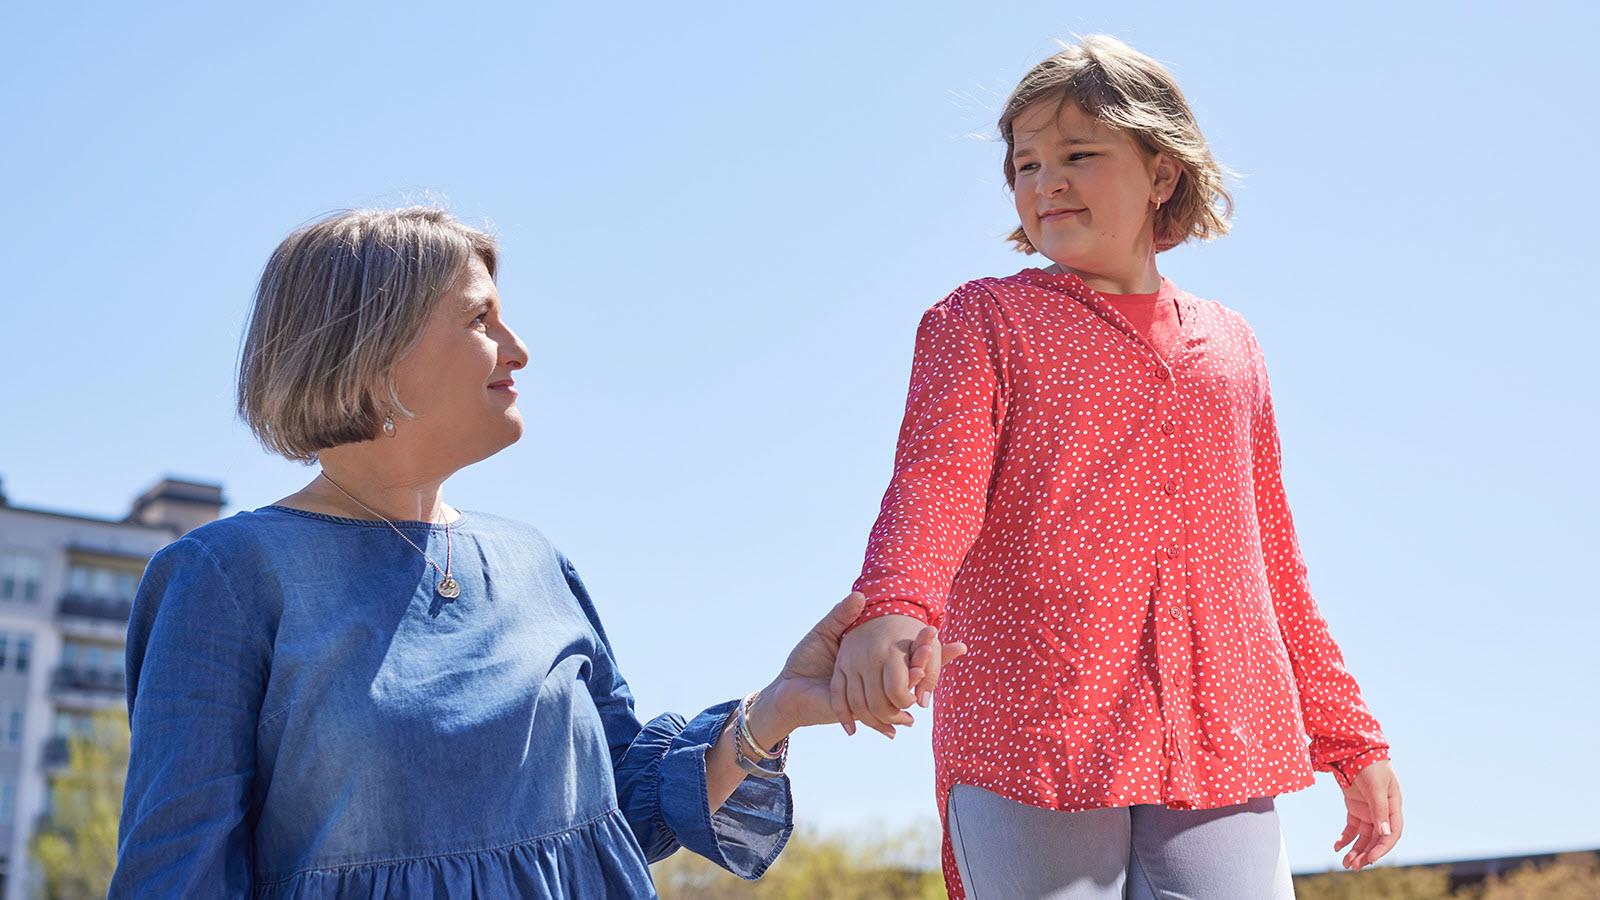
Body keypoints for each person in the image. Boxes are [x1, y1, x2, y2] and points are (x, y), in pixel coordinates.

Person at [111, 207, 961, 898]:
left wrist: (773, 709)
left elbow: (621, 818)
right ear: (373, 355)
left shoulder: (536, 564)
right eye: (480, 319)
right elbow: (174, 875)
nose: (518, 350)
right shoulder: (224, 578)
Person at [830, 35, 1403, 899]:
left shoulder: (1233, 349)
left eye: (1079, 155)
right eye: (1024, 164)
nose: (1044, 182)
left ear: (1162, 173)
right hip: (1033, 724)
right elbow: (934, 483)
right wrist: (898, 605)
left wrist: (1349, 737)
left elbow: (1274, 561)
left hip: (1225, 730)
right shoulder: (980, 322)